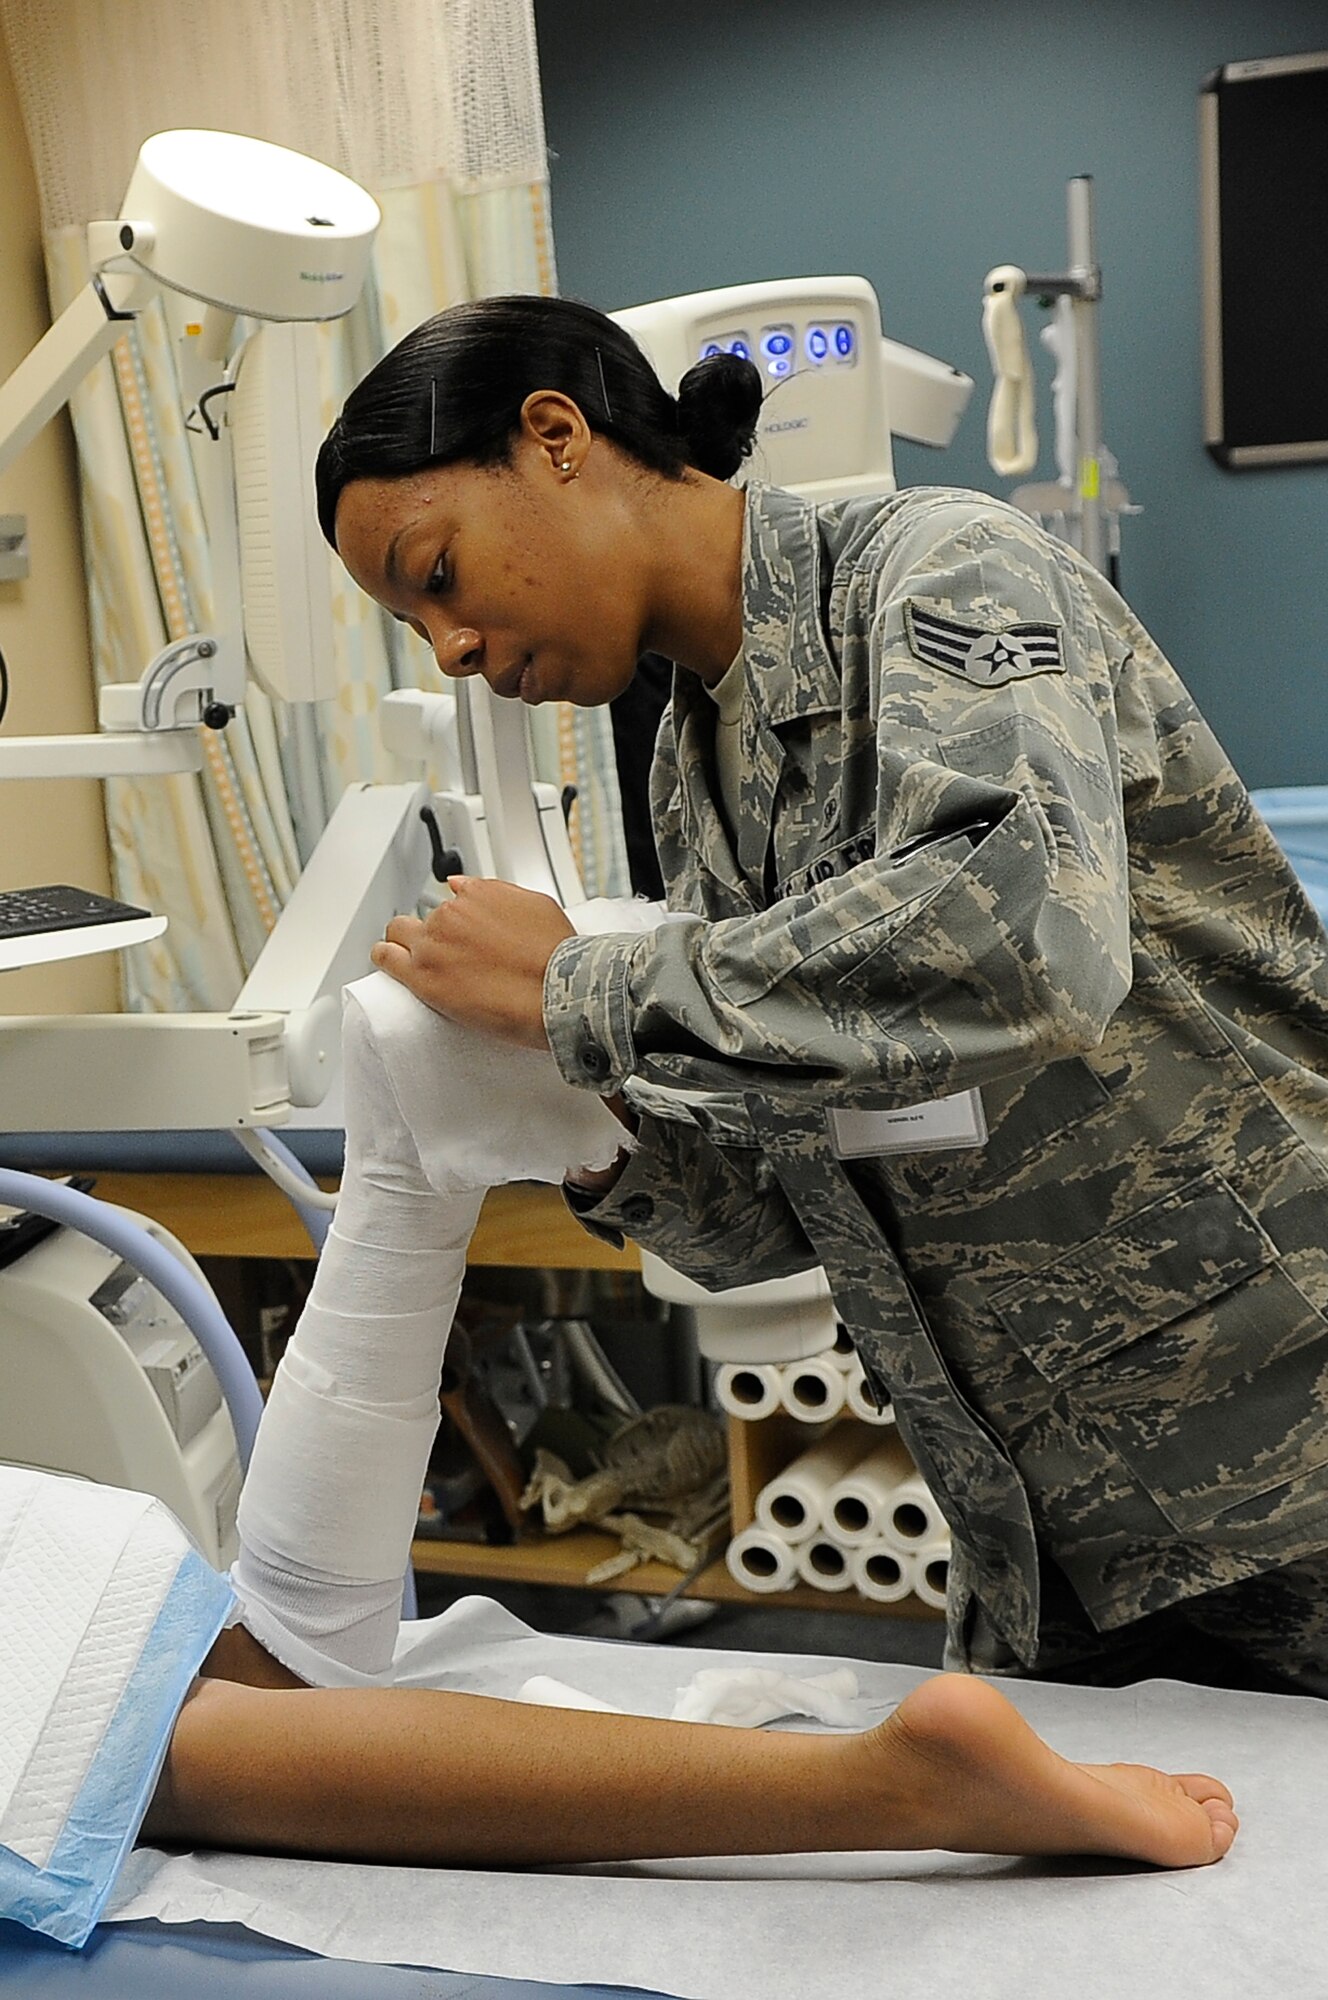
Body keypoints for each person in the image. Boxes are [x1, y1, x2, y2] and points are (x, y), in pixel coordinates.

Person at [312, 293, 1328, 1701]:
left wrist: (581, 984)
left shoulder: (943, 574)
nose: (451, 650)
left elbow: (1024, 940)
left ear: (555, 439)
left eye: (436, 573)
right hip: (1044, 1535)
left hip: (1278, 1451)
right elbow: (803, 1202)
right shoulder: (692, 775)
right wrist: (596, 1133)